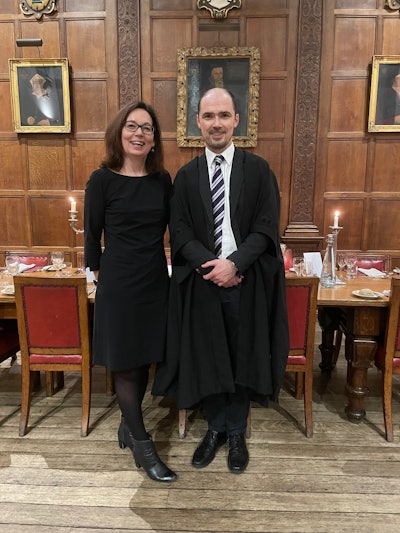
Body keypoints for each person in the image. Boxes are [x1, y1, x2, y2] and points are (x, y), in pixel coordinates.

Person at [153, 88, 289, 474]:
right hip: (203, 282)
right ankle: (214, 428)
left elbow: (266, 228)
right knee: (209, 356)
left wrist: (234, 264)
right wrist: (213, 266)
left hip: (247, 281)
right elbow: (179, 233)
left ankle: (237, 433)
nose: (216, 123)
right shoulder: (186, 176)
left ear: (236, 121)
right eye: (208, 116)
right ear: (197, 121)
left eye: (223, 116)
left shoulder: (259, 170)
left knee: (241, 356)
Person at [84, 102, 176, 483]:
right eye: (132, 126)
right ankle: (141, 442)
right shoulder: (101, 179)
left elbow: (178, 228)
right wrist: (100, 278)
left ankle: (127, 423)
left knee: (142, 358)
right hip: (119, 282)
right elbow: (91, 237)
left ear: (154, 140)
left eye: (147, 128)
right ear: (119, 132)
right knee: (124, 360)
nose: (139, 133)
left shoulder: (162, 180)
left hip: (154, 279)